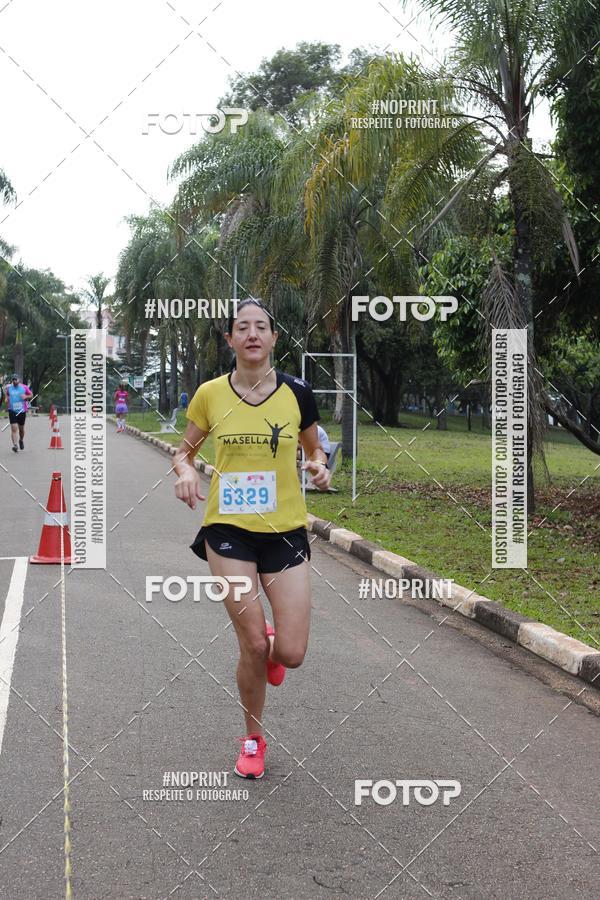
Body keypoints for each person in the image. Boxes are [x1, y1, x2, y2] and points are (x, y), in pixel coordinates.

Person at [174, 298, 330, 779]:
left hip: (284, 532)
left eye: (261, 326)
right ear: (231, 340)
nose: (252, 334)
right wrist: (183, 471)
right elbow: (183, 452)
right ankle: (253, 739)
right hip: (228, 533)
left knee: (290, 653)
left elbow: (315, 445)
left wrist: (319, 464)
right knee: (254, 648)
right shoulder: (210, 394)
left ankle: (271, 646)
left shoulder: (298, 393)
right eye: (242, 327)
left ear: (274, 338)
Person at [5, 374, 33, 452]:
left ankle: (21, 440)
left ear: (19, 380)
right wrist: (7, 399)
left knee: (21, 429)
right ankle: (15, 445)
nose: (14, 381)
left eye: (16, 379)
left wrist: (26, 397)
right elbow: (7, 394)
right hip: (12, 410)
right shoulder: (9, 388)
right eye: (13, 380)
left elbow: (31, 395)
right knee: (14, 428)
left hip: (22, 410)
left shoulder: (24, 387)